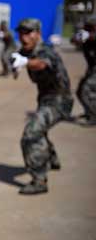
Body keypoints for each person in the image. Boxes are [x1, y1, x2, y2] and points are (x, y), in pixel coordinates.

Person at [10, 18, 73, 195]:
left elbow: (41, 63)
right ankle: (52, 158)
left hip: (60, 100)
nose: (24, 37)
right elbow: (16, 65)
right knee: (40, 130)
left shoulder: (46, 51)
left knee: (30, 135)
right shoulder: (24, 51)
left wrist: (23, 62)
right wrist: (15, 65)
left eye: (29, 33)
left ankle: (39, 179)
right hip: (45, 99)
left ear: (38, 34)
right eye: (21, 33)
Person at [75, 16, 96, 125]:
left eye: (90, 27)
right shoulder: (86, 38)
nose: (87, 29)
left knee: (86, 90)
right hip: (92, 69)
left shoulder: (91, 36)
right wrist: (78, 37)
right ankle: (89, 112)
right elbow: (73, 40)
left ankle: (94, 116)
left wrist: (89, 35)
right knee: (79, 91)